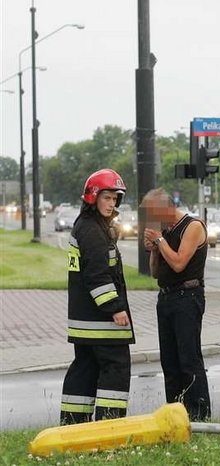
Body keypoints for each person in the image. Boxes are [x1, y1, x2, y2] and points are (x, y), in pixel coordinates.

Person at [60, 169, 133, 425]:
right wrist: (115, 307)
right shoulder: (92, 230)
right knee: (116, 369)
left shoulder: (87, 225)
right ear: (93, 197)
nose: (112, 204)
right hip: (102, 324)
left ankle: (72, 425)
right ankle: (110, 425)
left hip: (85, 321)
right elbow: (97, 276)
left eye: (115, 199)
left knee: (85, 370)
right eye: (107, 198)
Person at [141, 188, 211, 420]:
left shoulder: (192, 226)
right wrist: (153, 250)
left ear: (166, 208)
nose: (149, 218)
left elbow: (179, 263)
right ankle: (175, 414)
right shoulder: (165, 231)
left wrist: (160, 240)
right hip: (166, 298)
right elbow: (155, 272)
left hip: (187, 298)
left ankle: (199, 415)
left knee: (188, 359)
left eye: (152, 212)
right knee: (169, 361)